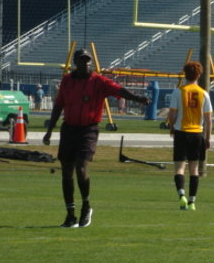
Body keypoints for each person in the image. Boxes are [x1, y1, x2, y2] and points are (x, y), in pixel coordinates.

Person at [43, 49, 150, 228]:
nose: (86, 64)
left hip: (88, 130)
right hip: (69, 129)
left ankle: (86, 206)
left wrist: (137, 98)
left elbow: (119, 90)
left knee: (81, 167)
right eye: (82, 60)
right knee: (66, 170)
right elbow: (59, 105)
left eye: (88, 61)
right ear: (75, 63)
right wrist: (49, 131)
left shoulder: (98, 81)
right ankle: (70, 215)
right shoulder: (67, 81)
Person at [167, 61, 213, 211]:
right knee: (194, 169)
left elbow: (172, 113)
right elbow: (208, 120)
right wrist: (208, 138)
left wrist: (171, 127)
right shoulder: (204, 93)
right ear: (199, 75)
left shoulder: (178, 91)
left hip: (181, 132)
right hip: (197, 133)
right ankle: (192, 201)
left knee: (179, 168)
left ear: (185, 74)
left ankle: (182, 195)